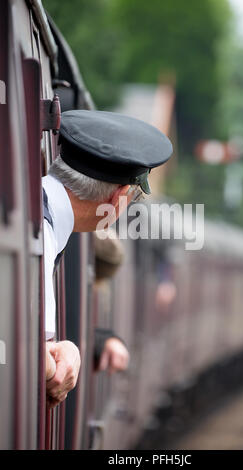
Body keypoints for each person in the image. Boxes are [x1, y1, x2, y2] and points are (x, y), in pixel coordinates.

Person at [43, 109, 173, 408]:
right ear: (118, 198)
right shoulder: (40, 232)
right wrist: (67, 356)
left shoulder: (41, 217)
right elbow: (23, 354)